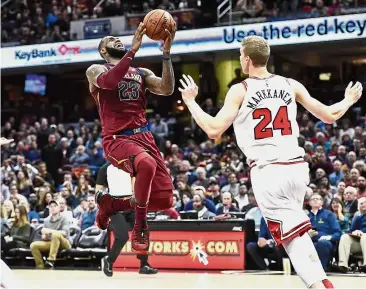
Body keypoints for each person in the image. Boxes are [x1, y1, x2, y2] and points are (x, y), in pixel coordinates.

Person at [179, 35, 363, 288]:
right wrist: (349, 100)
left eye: (241, 55)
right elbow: (329, 115)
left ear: (247, 59)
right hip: (298, 169)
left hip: (268, 171)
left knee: (291, 237)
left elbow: (213, 130)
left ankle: (320, 285)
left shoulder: (240, 89)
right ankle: (320, 282)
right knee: (295, 232)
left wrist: (190, 101)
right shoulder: (290, 84)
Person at [86, 22, 177, 254]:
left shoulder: (141, 73)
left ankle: (111, 204)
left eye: (118, 38)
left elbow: (167, 89)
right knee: (145, 163)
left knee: (165, 201)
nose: (116, 40)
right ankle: (140, 226)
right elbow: (109, 82)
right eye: (110, 40)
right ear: (103, 51)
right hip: (117, 139)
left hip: (144, 137)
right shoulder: (95, 69)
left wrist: (166, 55)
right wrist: (132, 50)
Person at [96, 162, 158, 276]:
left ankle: (144, 264)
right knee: (122, 237)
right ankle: (109, 261)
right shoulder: (105, 168)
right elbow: (98, 191)